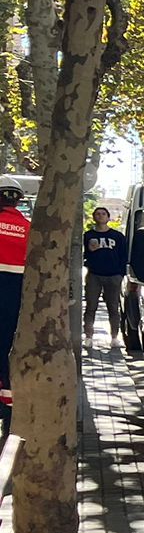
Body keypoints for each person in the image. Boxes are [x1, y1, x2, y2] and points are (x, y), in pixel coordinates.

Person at [0, 181, 27, 434]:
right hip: (15, 295)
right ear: (18, 200)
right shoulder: (29, 229)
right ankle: (7, 400)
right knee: (6, 346)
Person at [82, 205, 128, 350]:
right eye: (97, 214)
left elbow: (123, 255)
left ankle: (114, 337)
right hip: (94, 275)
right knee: (91, 306)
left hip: (113, 276)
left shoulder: (117, 236)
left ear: (108, 218)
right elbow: (84, 254)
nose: (100, 216)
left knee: (113, 307)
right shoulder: (88, 236)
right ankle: (88, 336)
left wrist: (120, 274)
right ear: (94, 217)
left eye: (103, 214)